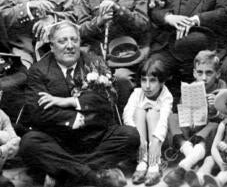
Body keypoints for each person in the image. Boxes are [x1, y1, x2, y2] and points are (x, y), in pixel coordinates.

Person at [19, 21, 138, 187]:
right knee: (29, 143)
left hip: (95, 138)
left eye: (74, 40)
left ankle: (63, 174)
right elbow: (39, 113)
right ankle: (94, 176)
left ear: (80, 42)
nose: (70, 46)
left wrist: (75, 105)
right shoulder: (38, 70)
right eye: (63, 41)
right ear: (52, 46)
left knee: (130, 136)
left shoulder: (95, 63)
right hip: (59, 141)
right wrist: (73, 119)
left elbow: (108, 102)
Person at [164, 50, 227, 187]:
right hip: (190, 131)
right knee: (172, 117)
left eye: (209, 73)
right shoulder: (191, 88)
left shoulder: (222, 88)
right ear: (194, 73)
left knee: (215, 126)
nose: (204, 78)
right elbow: (182, 114)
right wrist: (189, 110)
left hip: (207, 136)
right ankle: (189, 153)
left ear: (218, 74)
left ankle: (185, 165)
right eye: (200, 73)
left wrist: (216, 110)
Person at [123, 59, 173, 186]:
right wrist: (138, 136)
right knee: (139, 111)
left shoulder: (166, 96)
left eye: (152, 80)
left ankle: (154, 164)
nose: (147, 86)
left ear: (162, 82)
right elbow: (127, 115)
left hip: (161, 142)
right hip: (141, 144)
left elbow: (163, 122)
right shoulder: (137, 93)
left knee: (152, 113)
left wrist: (155, 140)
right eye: (144, 80)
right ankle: (142, 161)